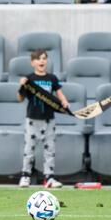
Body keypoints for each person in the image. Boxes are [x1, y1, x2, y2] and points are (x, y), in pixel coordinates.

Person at [17, 49, 69, 188]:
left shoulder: (51, 78)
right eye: (38, 59)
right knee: (29, 149)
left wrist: (64, 102)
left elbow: (59, 93)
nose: (42, 61)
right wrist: (21, 85)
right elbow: (20, 98)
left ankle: (49, 178)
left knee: (50, 150)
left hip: (49, 119)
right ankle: (25, 176)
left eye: (44, 58)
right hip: (32, 119)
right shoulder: (29, 78)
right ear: (32, 62)